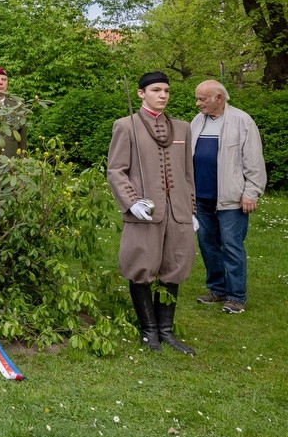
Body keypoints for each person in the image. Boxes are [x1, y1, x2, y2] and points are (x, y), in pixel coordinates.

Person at [106, 71, 196, 354]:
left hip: (178, 211)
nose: (163, 95)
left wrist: (191, 208)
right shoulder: (126, 126)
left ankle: (166, 331)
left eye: (166, 90)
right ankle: (149, 332)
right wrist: (132, 202)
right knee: (141, 265)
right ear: (141, 93)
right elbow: (116, 170)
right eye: (156, 90)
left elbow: (188, 174)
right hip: (145, 210)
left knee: (175, 266)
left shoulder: (182, 128)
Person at [190, 80, 266, 315]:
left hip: (231, 198)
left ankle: (236, 297)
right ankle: (217, 289)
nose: (198, 103)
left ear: (219, 98)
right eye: (197, 98)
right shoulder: (197, 121)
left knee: (231, 247)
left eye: (202, 98)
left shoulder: (242, 121)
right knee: (207, 245)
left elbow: (254, 161)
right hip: (202, 197)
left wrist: (251, 192)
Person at [0, 67, 27, 157]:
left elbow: (23, 141)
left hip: (11, 162)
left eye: (4, 79)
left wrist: (23, 161)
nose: (1, 82)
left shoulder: (17, 107)